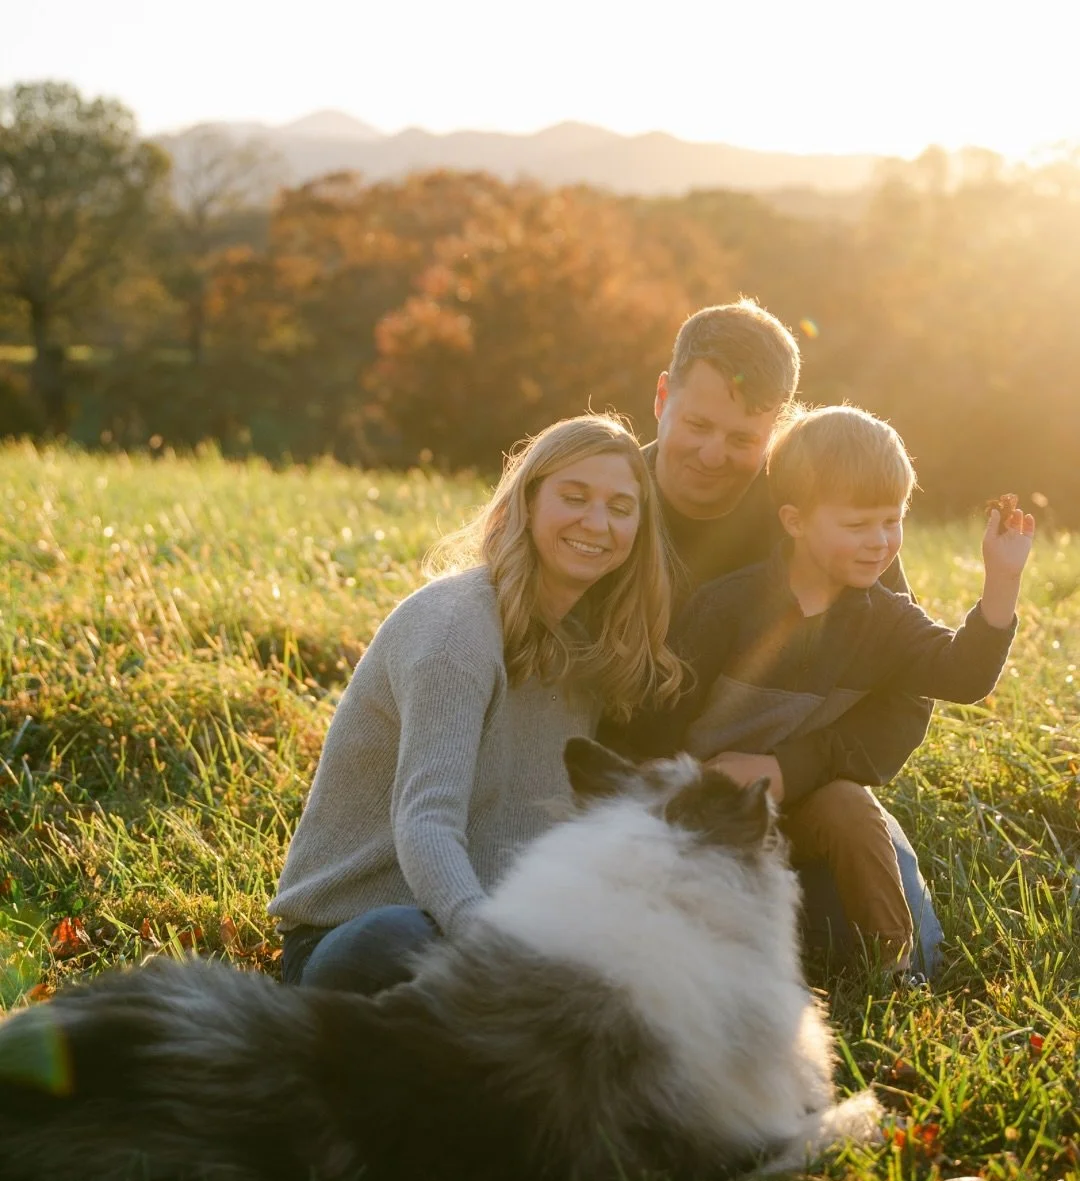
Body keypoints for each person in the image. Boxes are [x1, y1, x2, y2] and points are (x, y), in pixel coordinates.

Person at [269, 414, 682, 993]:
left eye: (620, 506)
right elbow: (426, 823)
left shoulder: (587, 650)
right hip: (361, 939)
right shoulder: (454, 628)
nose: (597, 522)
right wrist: (493, 948)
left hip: (500, 938)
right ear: (528, 502)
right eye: (574, 496)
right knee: (404, 938)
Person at [622, 405, 1035, 969]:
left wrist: (1002, 581)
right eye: (857, 525)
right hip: (703, 801)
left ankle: (896, 970)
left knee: (851, 807)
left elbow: (962, 674)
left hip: (803, 800)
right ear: (794, 521)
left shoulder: (884, 617)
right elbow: (658, 717)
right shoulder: (726, 607)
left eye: (892, 521)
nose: (880, 542)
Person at [623, 299, 946, 975]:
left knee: (866, 938)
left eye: (743, 439)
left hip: (803, 794)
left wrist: (787, 770)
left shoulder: (821, 514)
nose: (713, 454)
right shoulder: (608, 500)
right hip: (647, 792)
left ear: (777, 431)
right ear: (662, 396)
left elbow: (905, 691)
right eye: (698, 424)